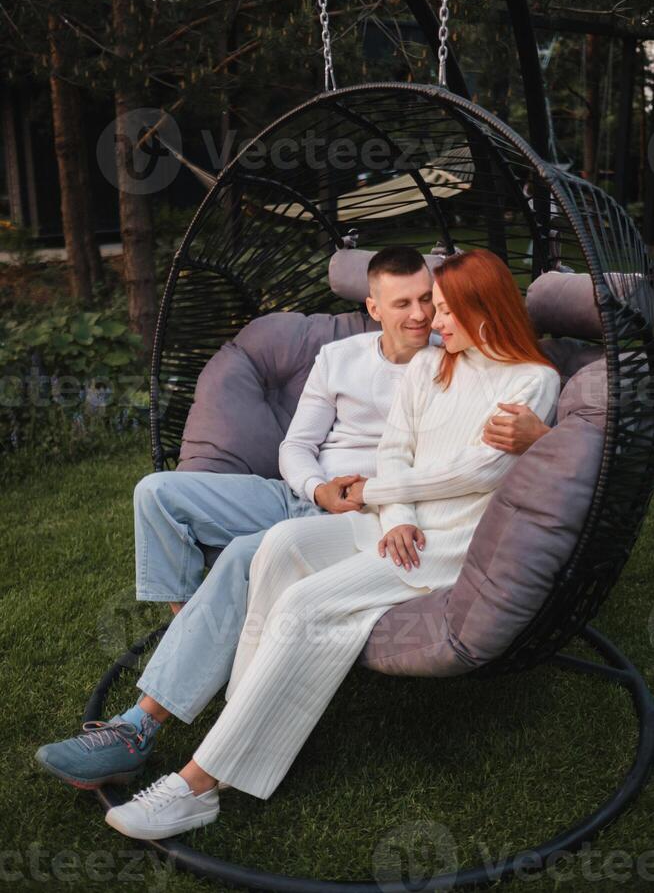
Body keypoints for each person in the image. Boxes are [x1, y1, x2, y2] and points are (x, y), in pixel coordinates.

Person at [48, 249, 560, 840]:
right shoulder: (432, 365)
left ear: (482, 315)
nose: (430, 321)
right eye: (417, 305)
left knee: (303, 605)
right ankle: (239, 715)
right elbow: (396, 447)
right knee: (278, 545)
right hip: (381, 515)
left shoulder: (532, 381)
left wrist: (378, 491)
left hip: (445, 544)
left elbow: (478, 473)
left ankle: (199, 785)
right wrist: (389, 509)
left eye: (439, 308)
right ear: (374, 306)